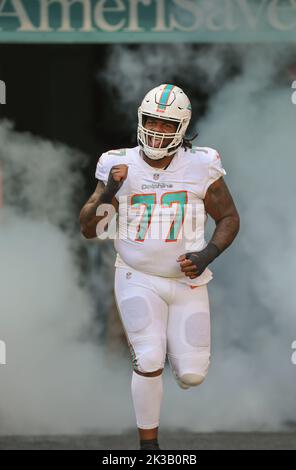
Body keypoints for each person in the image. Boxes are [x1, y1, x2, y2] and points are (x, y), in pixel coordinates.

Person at [79, 84, 240, 450]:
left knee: (193, 375)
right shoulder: (118, 163)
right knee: (150, 357)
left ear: (182, 128)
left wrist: (206, 255)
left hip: (188, 282)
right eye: (152, 120)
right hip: (137, 276)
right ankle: (149, 449)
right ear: (140, 119)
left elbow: (229, 217)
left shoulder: (202, 164)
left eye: (167, 124)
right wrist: (109, 192)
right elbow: (89, 228)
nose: (158, 130)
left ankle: (176, 357)